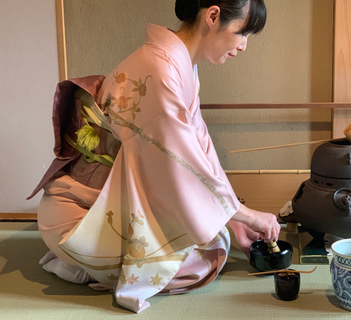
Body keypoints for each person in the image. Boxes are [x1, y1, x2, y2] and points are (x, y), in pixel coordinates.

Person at [28, 0, 280, 313]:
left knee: (214, 238)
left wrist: (232, 218)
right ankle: (84, 264)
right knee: (204, 261)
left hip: (106, 203)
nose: (243, 46)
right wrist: (248, 215)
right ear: (213, 16)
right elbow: (181, 167)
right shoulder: (160, 70)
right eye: (243, 33)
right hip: (81, 212)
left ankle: (97, 265)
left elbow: (200, 153)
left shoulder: (180, 64)